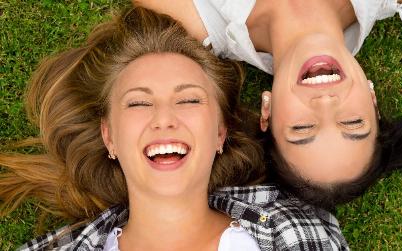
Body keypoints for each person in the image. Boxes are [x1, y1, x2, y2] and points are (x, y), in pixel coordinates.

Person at [0, 7, 349, 250]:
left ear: (219, 133)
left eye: (189, 101)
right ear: (109, 137)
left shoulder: (301, 231)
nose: (164, 118)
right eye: (138, 102)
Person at [132, 0, 402, 210]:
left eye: (303, 128)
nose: (325, 104)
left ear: (267, 112)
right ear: (372, 98)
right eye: (353, 122)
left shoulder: (191, 16)